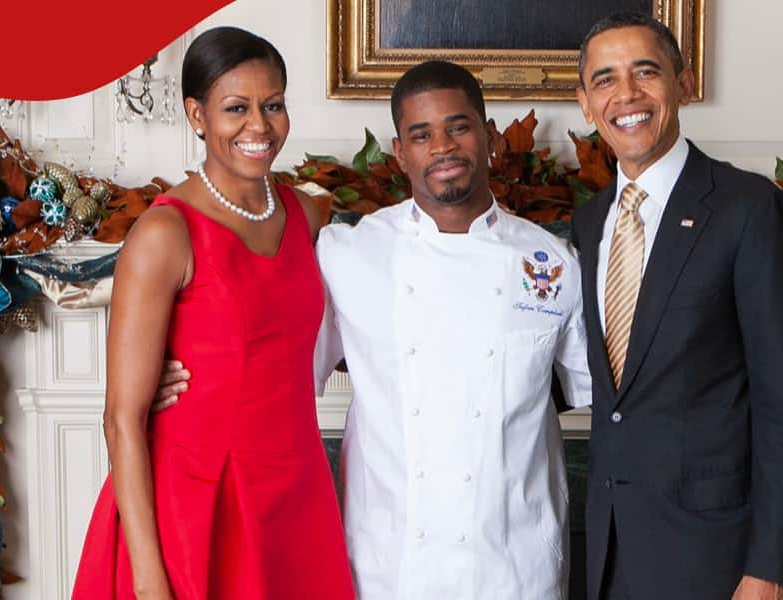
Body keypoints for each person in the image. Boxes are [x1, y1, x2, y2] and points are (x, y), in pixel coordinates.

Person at [156, 60, 592, 599]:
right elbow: (269, 351)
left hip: (516, 563)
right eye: (421, 134)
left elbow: (588, 393)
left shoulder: (553, 263)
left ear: (488, 136)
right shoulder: (348, 254)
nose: (442, 147)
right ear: (399, 151)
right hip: (390, 564)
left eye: (458, 126)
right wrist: (173, 375)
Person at [71, 27, 356, 600]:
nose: (260, 126)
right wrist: (151, 581)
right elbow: (120, 420)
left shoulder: (308, 213)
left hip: (297, 496)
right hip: (197, 503)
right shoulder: (164, 233)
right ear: (197, 115)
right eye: (236, 108)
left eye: (272, 104)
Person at [570, 12, 783, 600]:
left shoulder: (750, 210)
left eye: (646, 71)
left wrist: (771, 569)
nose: (627, 94)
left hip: (723, 559)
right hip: (614, 553)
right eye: (605, 80)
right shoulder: (589, 224)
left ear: (682, 83)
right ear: (586, 104)